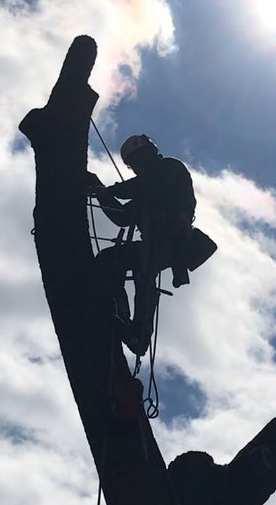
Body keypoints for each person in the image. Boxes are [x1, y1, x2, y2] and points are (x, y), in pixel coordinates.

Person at [87, 134, 216, 354]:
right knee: (109, 260)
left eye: (136, 162)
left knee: (144, 276)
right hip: (154, 243)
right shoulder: (145, 192)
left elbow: (147, 184)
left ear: (147, 155)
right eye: (132, 165)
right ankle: (119, 315)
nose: (136, 168)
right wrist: (102, 194)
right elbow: (123, 217)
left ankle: (139, 333)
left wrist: (108, 191)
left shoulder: (170, 169)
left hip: (173, 241)